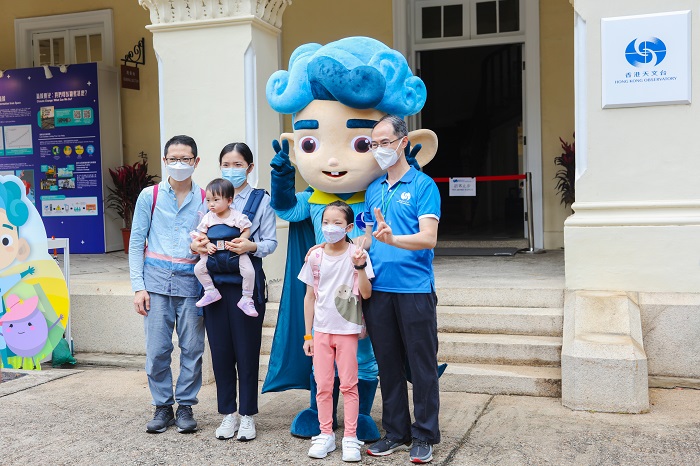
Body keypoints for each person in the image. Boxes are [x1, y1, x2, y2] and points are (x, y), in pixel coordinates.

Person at [362, 115, 441, 464]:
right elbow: (367, 236)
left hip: (414, 289)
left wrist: (394, 238)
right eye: (373, 144)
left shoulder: (423, 186)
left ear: (403, 142)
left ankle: (424, 434)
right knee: (388, 365)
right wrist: (349, 248)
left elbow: (429, 237)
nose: (378, 149)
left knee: (421, 366)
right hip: (379, 290)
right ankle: (396, 431)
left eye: (384, 142)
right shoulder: (373, 189)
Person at [191, 142, 278, 442]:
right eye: (227, 163)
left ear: (250, 168)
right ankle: (228, 414)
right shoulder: (210, 200)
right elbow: (197, 237)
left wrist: (250, 245)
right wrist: (198, 245)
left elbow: (270, 241)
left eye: (238, 164)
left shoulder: (260, 201)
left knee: (247, 350)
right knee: (222, 351)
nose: (232, 169)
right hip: (215, 288)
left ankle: (248, 416)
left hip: (245, 286)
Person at [129, 134, 207, 434]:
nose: (179, 164)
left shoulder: (204, 198)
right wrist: (138, 287)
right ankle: (162, 406)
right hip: (156, 284)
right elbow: (136, 243)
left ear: (196, 162)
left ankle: (185, 405)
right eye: (173, 158)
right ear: (164, 160)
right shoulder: (149, 196)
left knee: (192, 348)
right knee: (158, 349)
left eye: (185, 159)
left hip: (192, 285)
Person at [298, 201, 373, 462]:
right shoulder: (315, 257)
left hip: (347, 330)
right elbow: (309, 297)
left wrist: (360, 265)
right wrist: (308, 335)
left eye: (337, 223)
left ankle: (350, 438)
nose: (330, 228)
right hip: (320, 331)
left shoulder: (357, 254)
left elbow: (365, 293)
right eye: (326, 222)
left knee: (350, 385)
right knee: (323, 386)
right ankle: (326, 434)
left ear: (349, 227)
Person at [191, 178, 257, 317]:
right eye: (208, 200)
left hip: (234, 252)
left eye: (216, 200)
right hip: (213, 253)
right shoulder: (208, 217)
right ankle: (210, 290)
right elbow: (202, 233)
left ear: (229, 200)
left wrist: (242, 241)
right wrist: (207, 244)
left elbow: (246, 229)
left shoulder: (237, 216)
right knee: (198, 269)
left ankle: (246, 298)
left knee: (249, 272)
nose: (211, 204)